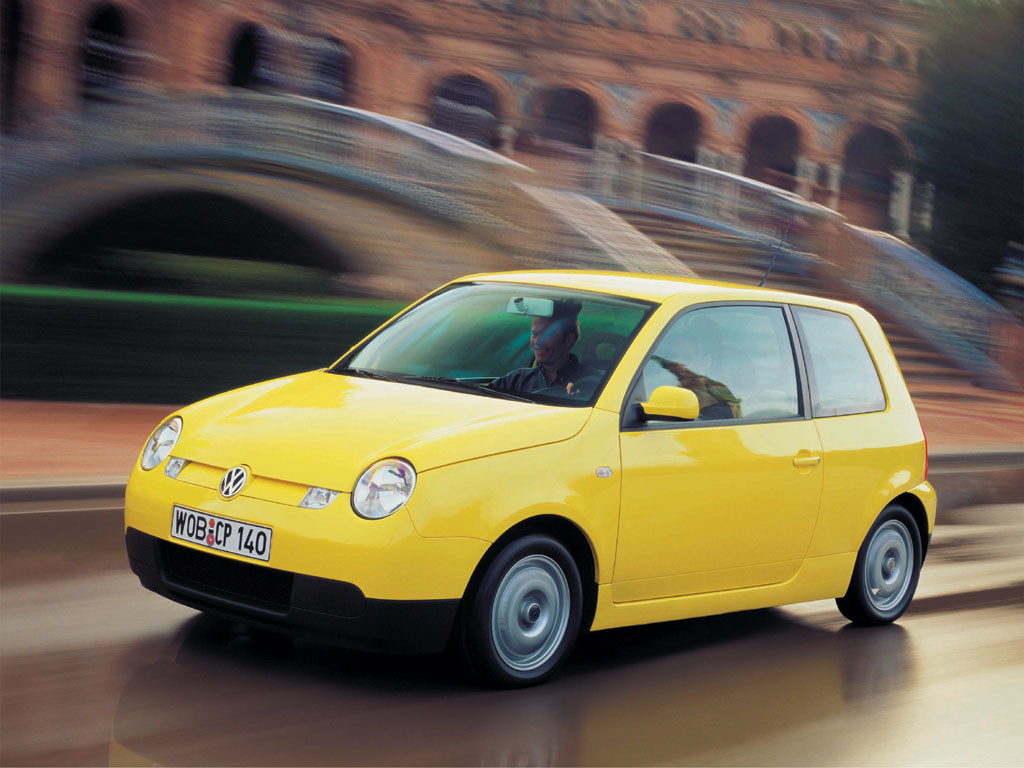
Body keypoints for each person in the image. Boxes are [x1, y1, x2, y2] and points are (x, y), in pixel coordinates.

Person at [492, 299, 600, 397]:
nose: (538, 341)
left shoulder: (593, 384)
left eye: (547, 335)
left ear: (569, 340)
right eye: (534, 333)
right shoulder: (516, 380)